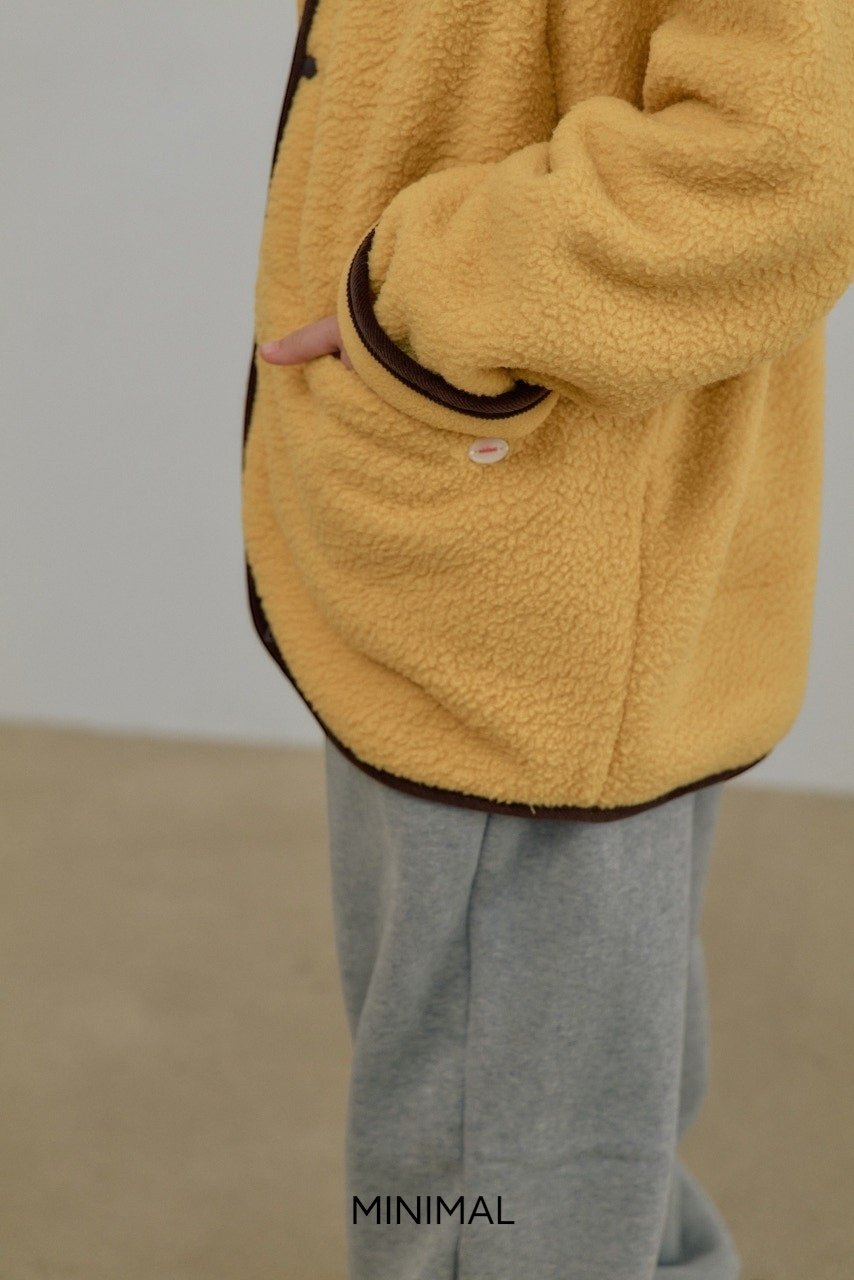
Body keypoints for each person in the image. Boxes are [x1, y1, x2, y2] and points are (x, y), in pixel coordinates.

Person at [242, 0, 853, 1275]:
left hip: (528, 582)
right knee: (562, 1131)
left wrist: (427, 288)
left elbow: (788, 155)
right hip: (503, 534)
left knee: (486, 1182)